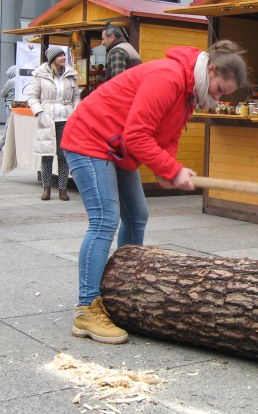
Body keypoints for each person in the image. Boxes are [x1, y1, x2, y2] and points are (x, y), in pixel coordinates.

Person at [60, 40, 248, 344]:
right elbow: (137, 135)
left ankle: (125, 291)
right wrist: (171, 170)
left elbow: (167, 136)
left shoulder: (189, 93)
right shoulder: (169, 77)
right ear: (211, 69)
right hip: (90, 139)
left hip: (115, 146)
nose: (218, 97)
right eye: (219, 89)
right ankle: (86, 309)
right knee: (105, 220)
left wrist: (167, 169)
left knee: (137, 215)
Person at [26, 46, 80, 201]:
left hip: (66, 118)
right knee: (47, 154)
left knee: (63, 154)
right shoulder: (40, 75)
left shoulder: (71, 75)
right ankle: (46, 188)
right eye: (60, 55)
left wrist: (76, 111)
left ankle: (63, 189)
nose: (64, 57)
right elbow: (32, 96)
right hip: (47, 118)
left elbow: (76, 97)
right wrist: (39, 112)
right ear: (52, 59)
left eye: (64, 55)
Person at [0, 64, 16, 152]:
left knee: (9, 125)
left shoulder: (10, 82)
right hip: (21, 106)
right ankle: (2, 144)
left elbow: (3, 94)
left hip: (10, 105)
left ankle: (0, 144)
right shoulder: (22, 81)